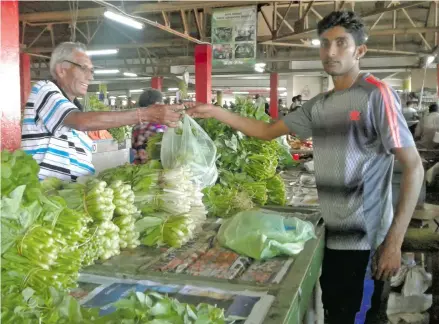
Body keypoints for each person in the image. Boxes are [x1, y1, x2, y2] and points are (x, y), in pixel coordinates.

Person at [188, 11, 424, 324]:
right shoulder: (320, 105)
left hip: (363, 237)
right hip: (331, 230)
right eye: (325, 44)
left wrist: (394, 243)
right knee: (335, 309)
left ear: (360, 51)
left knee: (353, 313)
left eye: (341, 43)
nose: (331, 51)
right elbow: (266, 131)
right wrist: (214, 111)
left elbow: (414, 167)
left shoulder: (376, 96)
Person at [21, 42, 182, 182]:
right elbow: (81, 121)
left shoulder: (73, 109)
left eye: (92, 71)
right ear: (61, 70)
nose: (90, 77)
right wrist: (146, 114)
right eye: (84, 68)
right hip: (47, 200)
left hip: (66, 201)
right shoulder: (44, 90)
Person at [131, 89, 167, 165]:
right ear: (157, 104)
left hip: (138, 167)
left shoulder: (136, 125)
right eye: (162, 102)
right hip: (154, 168)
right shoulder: (159, 127)